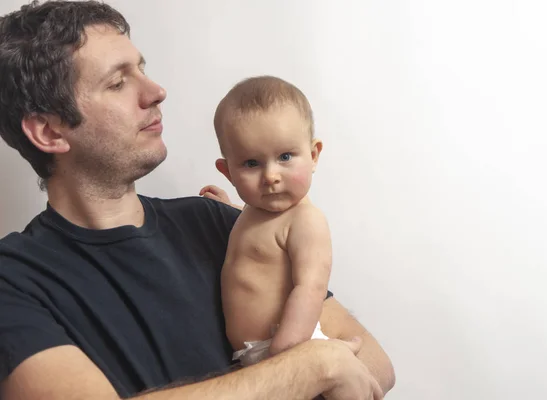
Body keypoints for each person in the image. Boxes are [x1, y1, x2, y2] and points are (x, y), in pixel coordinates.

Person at [0, 1, 395, 399]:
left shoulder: (221, 220)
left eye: (142, 68)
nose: (156, 92)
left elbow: (374, 364)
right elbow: (332, 363)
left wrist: (319, 366)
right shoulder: (12, 281)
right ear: (49, 132)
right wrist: (314, 365)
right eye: (118, 83)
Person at [202, 76, 332, 366]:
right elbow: (260, 236)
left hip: (288, 346)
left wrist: (287, 348)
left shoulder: (306, 221)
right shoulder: (255, 212)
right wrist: (229, 208)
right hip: (253, 353)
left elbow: (311, 288)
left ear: (313, 156)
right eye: (251, 164)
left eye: (285, 156)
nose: (271, 176)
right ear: (228, 173)